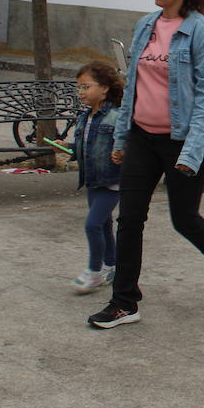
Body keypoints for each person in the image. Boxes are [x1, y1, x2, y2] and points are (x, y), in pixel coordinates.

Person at [89, 0, 204, 329]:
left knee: (184, 219)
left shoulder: (201, 31)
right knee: (129, 220)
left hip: (182, 141)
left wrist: (190, 153)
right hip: (142, 136)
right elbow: (133, 87)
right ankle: (125, 301)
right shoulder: (146, 25)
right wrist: (122, 138)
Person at [70, 61, 123, 295]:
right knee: (103, 225)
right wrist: (69, 148)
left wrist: (122, 152)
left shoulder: (116, 117)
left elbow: (125, 145)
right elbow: (86, 146)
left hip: (112, 182)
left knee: (93, 224)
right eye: (79, 88)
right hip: (92, 180)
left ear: (104, 88)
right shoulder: (84, 118)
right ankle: (112, 266)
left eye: (86, 87)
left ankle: (94, 272)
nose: (81, 93)